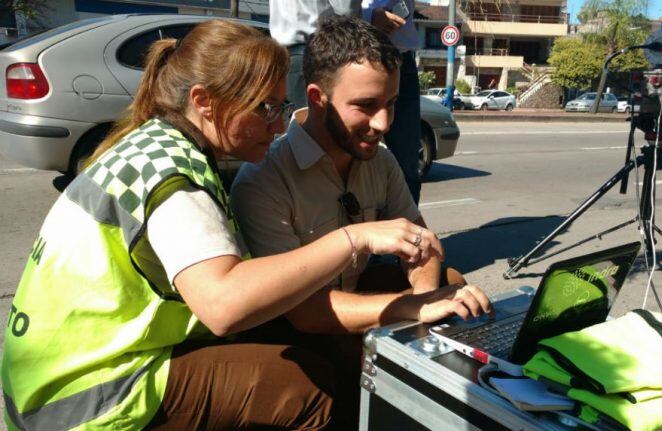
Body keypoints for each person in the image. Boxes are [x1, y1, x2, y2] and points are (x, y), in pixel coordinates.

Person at [1, 20, 449, 431]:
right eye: (264, 109)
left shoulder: (159, 145)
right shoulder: (175, 176)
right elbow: (223, 306)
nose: (276, 126)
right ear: (204, 102)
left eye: (280, 106)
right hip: (81, 391)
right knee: (302, 391)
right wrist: (355, 237)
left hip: (67, 365)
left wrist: (421, 302)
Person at [230, 16, 492, 428]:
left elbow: (421, 245)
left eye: (390, 104)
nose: (384, 123)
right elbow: (306, 314)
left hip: (350, 304)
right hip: (295, 332)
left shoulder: (380, 159)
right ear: (317, 97)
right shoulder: (264, 179)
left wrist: (425, 318)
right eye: (366, 106)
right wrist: (416, 307)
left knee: (455, 288)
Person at [363, 0, 422, 202]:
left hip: (402, 56)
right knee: (352, 161)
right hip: (360, 52)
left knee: (407, 166)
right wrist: (368, 16)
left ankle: (408, 229)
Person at [270, 0, 362, 109]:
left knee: (291, 117)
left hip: (284, 55)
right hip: (318, 53)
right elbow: (346, 10)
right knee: (315, 118)